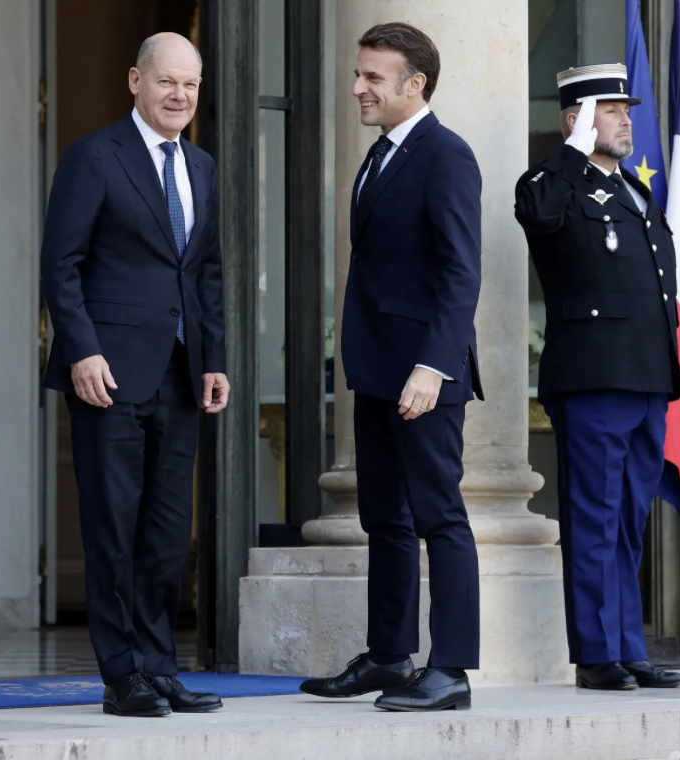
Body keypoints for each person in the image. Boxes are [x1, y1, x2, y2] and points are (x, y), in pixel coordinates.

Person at [41, 32, 229, 717]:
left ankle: (159, 666)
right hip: (108, 375)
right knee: (113, 527)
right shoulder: (94, 157)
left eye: (190, 84)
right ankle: (122, 674)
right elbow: (60, 264)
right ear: (135, 82)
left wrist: (214, 361)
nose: (179, 95)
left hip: (181, 375)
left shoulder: (202, 167)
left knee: (165, 530)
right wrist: (82, 349)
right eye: (166, 82)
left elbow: (206, 273)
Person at [299, 22, 483, 713]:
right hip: (377, 371)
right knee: (385, 518)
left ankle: (454, 671)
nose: (357, 88)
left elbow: (462, 272)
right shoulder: (379, 155)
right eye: (358, 74)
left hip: (423, 377)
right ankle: (388, 656)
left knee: (442, 517)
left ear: (416, 85)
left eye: (373, 78)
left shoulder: (446, 156)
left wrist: (433, 367)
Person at [514, 63, 680, 691]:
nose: (625, 119)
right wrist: (569, 150)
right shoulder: (552, 183)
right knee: (593, 518)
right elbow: (537, 215)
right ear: (577, 119)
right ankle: (595, 655)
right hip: (592, 379)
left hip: (645, 379)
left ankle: (629, 646)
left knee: (627, 521)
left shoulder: (636, 194)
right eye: (610, 110)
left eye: (624, 110)